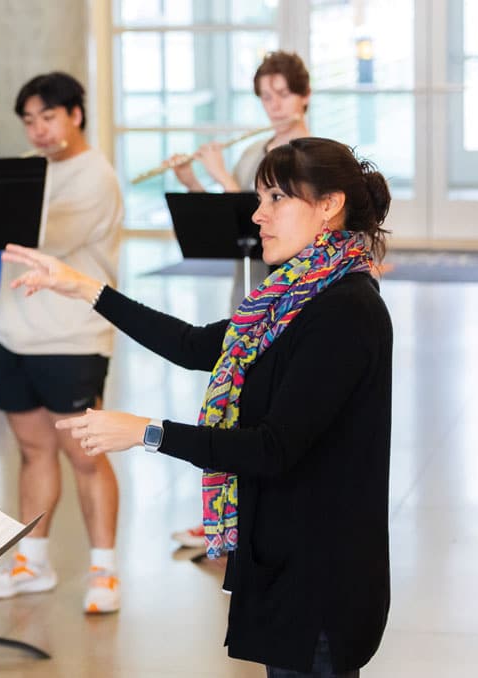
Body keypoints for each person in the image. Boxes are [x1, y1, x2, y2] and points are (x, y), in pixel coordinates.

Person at [5, 136, 393, 677]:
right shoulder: (287, 298)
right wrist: (86, 289)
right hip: (283, 558)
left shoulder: (345, 311)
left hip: (322, 577)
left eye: (277, 198)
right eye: (261, 198)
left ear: (329, 205)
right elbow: (194, 345)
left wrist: (147, 431)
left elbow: (272, 448)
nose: (258, 215)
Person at [0, 72, 123, 614]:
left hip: (72, 337)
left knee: (84, 457)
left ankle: (104, 572)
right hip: (15, 335)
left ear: (75, 115)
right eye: (29, 121)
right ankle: (32, 561)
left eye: (48, 117)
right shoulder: (31, 171)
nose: (37, 130)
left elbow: (39, 242)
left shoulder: (95, 176)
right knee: (34, 453)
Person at [168, 50, 313, 549]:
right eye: (265, 95)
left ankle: (250, 514)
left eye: (283, 94)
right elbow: (236, 217)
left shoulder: (307, 153)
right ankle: (227, 513)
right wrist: (193, 179)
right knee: (238, 400)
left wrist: (222, 173)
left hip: (284, 287)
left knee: (265, 406)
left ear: (304, 95)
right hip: (248, 281)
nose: (274, 104)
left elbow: (266, 213)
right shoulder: (264, 146)